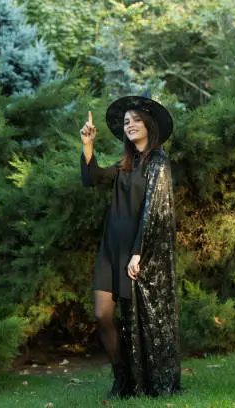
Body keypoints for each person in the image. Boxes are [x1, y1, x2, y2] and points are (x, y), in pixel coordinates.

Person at [79, 95, 181, 398]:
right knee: (102, 315)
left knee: (137, 320)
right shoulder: (125, 163)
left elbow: (154, 211)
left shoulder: (158, 162)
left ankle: (140, 381)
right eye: (126, 121)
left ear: (149, 124)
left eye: (136, 119)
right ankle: (122, 378)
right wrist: (87, 145)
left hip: (137, 253)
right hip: (111, 249)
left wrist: (139, 253)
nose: (130, 125)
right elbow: (92, 179)